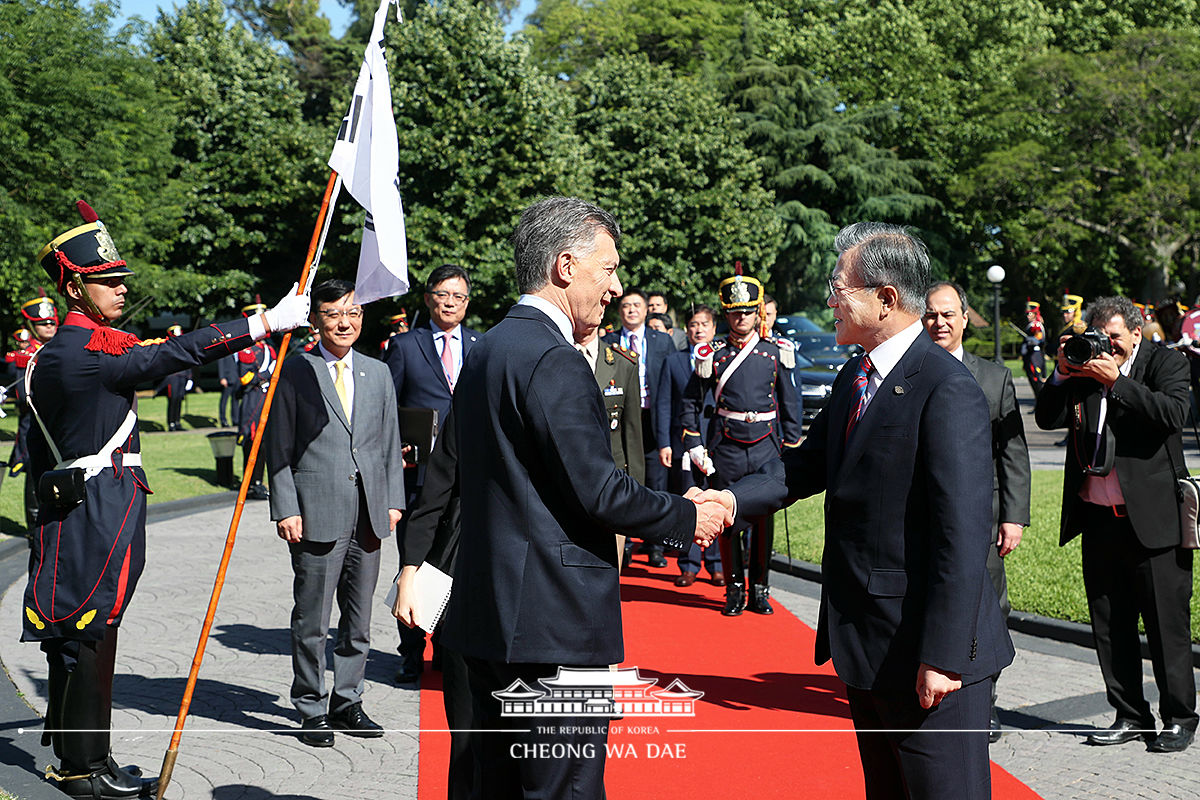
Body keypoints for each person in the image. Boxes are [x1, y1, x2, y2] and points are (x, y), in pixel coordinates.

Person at [712, 222, 1014, 799]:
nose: (829, 300)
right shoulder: (859, 371)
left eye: (839, 287)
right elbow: (803, 468)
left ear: (886, 297)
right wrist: (730, 499)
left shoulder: (945, 388)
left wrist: (944, 657)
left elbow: (962, 536)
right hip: (870, 645)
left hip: (929, 656)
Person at [440, 196, 728, 799]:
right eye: (608, 269)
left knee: (495, 786)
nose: (615, 287)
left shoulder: (488, 348)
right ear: (566, 266)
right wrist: (686, 514)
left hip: (490, 613)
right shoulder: (553, 358)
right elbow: (598, 488)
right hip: (554, 623)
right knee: (564, 788)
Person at [21, 200, 309, 799]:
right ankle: (80, 767)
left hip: (97, 505)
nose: (121, 290)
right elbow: (167, 356)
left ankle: (90, 756)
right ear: (76, 287)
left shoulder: (86, 347)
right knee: (89, 631)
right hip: (94, 509)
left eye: (120, 280)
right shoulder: (79, 355)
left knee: (94, 629)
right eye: (107, 282)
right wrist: (261, 324)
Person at [1035, 296, 1198, 753]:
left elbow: (1173, 415)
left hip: (1155, 523)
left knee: (1167, 626)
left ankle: (1179, 717)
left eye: (1114, 338)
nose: (1106, 346)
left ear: (1136, 332)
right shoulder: (1084, 367)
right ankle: (1129, 712)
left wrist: (1117, 384)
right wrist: (1064, 371)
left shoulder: (1165, 362)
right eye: (1098, 337)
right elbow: (1047, 417)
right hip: (1100, 520)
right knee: (1111, 625)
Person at [265, 278, 405, 748]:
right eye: (333, 314)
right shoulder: (295, 371)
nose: (345, 322)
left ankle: (348, 701)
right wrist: (285, 506)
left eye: (353, 313)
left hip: (368, 513)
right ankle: (310, 706)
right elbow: (278, 443)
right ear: (316, 320)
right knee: (311, 619)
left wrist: (393, 500)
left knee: (359, 620)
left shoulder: (377, 372)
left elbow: (387, 443)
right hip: (314, 511)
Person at [924, 281, 1031, 743]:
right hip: (924, 515)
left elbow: (1012, 452)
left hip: (982, 517)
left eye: (949, 314)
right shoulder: (912, 372)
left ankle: (984, 704)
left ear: (965, 319)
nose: (940, 323)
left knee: (989, 606)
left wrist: (1014, 515)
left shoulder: (993, 377)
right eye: (931, 314)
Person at [679, 272, 801, 615]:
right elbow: (690, 402)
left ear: (757, 312)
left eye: (747, 311)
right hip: (727, 446)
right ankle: (734, 590)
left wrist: (791, 444)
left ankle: (760, 589)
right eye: (735, 312)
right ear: (726, 313)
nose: (741, 317)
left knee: (764, 521)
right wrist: (695, 443)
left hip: (766, 445)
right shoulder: (712, 354)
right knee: (727, 520)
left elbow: (788, 401)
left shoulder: (775, 352)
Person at [381, 264, 481, 684]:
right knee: (415, 562)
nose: (450, 303)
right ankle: (410, 650)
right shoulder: (406, 346)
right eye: (443, 294)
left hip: (469, 479)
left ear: (467, 302)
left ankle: (446, 643)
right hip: (417, 476)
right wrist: (396, 448)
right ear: (428, 298)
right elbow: (385, 411)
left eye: (458, 296)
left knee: (454, 564)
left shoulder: (482, 345)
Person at [603, 287, 674, 567]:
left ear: (647, 310)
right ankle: (627, 542)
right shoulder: (608, 341)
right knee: (626, 479)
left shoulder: (661, 341)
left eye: (637, 305)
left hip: (654, 417)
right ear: (620, 311)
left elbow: (670, 384)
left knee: (657, 483)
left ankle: (656, 543)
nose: (631, 310)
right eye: (626, 306)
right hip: (620, 420)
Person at [657, 304, 724, 586]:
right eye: (694, 325)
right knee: (689, 499)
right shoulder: (674, 361)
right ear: (687, 329)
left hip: (718, 439)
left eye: (704, 324)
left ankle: (718, 563)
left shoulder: (724, 359)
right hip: (684, 439)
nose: (699, 330)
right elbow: (663, 403)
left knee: (717, 497)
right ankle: (688, 563)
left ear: (713, 328)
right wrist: (664, 443)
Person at [7, 295, 59, 529]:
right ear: (31, 326)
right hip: (36, 423)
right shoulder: (29, 354)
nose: (49, 326)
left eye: (51, 322)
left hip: (59, 423)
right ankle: (34, 527)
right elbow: (22, 392)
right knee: (35, 472)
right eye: (42, 323)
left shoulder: (59, 348)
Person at [233, 300, 276, 500]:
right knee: (252, 442)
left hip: (266, 399)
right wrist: (264, 374)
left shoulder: (268, 349)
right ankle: (251, 483)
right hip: (253, 400)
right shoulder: (246, 350)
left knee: (265, 444)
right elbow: (244, 379)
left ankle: (259, 481)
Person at [159, 325, 192, 432]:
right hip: (172, 377)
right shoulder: (168, 345)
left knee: (179, 399)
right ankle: (171, 423)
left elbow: (188, 361)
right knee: (172, 399)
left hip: (182, 376)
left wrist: (189, 377)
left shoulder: (184, 345)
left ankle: (177, 422)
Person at [1021, 300, 1047, 394]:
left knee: (1036, 380)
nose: (1028, 316)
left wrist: (1032, 340)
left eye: (1030, 314)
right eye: (1027, 314)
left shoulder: (1036, 325)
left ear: (1035, 314)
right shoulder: (1031, 325)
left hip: (1034, 356)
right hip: (1030, 355)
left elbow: (1039, 339)